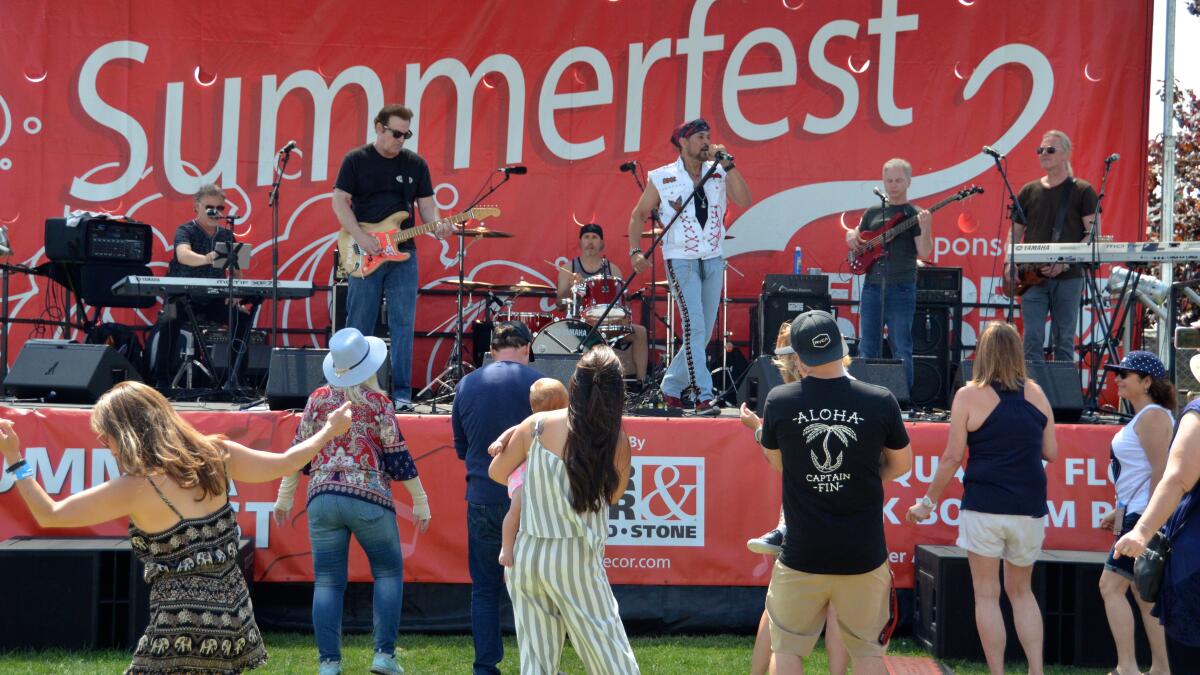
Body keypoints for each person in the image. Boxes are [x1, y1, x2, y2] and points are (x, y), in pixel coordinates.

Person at [0, 381, 352, 674]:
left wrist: (15, 459)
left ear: (125, 434)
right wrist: (330, 429)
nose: (102, 445)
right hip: (233, 617)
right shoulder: (216, 455)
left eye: (104, 436)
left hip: (180, 624)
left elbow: (50, 514)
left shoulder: (135, 487)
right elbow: (287, 462)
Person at [757, 310, 912, 675]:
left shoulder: (780, 401)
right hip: (863, 554)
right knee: (868, 653)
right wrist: (862, 479)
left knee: (788, 649)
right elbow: (902, 465)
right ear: (843, 348)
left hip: (802, 553)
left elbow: (779, 463)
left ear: (796, 357)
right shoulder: (880, 399)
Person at [270, 327, 430, 675]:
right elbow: (397, 455)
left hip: (322, 497)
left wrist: (284, 497)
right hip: (369, 498)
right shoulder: (379, 404)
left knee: (327, 581)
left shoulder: (317, 399)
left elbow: (298, 453)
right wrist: (420, 499)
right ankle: (384, 657)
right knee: (388, 571)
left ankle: (329, 664)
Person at [906, 322, 1057, 675]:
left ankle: (998, 672)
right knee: (1022, 592)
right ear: (1018, 352)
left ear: (982, 355)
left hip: (985, 504)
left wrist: (926, 502)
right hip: (1029, 507)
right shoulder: (1036, 393)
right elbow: (1051, 451)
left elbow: (952, 457)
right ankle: (1036, 671)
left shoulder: (968, 395)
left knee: (986, 594)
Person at [488, 345, 639, 674]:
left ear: (575, 383)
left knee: (536, 663)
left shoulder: (536, 425)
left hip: (527, 554)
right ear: (617, 392)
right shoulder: (616, 440)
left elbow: (498, 473)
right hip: (576, 556)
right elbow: (613, 497)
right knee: (612, 659)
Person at [738, 320, 849, 675]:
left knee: (780, 616)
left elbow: (780, 461)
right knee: (835, 613)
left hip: (801, 524)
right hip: (845, 523)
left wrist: (757, 430)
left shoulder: (784, 401)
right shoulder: (857, 395)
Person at [332, 103, 456, 412]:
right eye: (395, 133)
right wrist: (361, 238)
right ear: (379, 127)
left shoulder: (415, 164)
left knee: (403, 323)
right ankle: (352, 389)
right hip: (365, 251)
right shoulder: (356, 160)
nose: (400, 140)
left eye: (406, 134)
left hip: (404, 253)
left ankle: (401, 392)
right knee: (359, 322)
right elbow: (338, 202)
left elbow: (427, 207)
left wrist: (440, 225)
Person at [628, 118, 751, 414]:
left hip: (713, 257)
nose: (706, 141)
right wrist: (634, 250)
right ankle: (701, 396)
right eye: (699, 137)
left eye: (708, 135)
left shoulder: (719, 171)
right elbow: (638, 214)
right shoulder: (664, 176)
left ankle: (671, 386)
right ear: (683, 142)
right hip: (681, 259)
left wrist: (728, 164)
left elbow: (744, 199)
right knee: (695, 327)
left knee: (703, 332)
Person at [451, 320, 543, 675]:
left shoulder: (466, 384)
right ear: (527, 347)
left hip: (483, 496)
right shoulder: (539, 385)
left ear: (492, 352)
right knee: (537, 589)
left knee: (485, 589)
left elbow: (462, 448)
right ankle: (538, 663)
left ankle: (485, 666)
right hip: (531, 498)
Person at [1114, 353, 1200, 671]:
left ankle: (1136, 666)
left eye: (1126, 373)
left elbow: (1175, 477)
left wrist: (1143, 529)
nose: (1118, 379)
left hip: (1193, 559)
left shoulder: (1195, 415)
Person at [1097, 351, 1175, 675]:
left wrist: (1148, 524)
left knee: (1109, 586)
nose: (1117, 379)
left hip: (1143, 516)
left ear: (1146, 382)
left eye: (1125, 374)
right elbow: (1140, 475)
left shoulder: (1154, 416)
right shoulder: (1145, 416)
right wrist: (1120, 513)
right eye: (1117, 373)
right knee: (1143, 596)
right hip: (1135, 514)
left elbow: (1162, 473)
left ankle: (1127, 668)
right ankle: (1160, 668)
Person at [1003, 129, 1098, 363]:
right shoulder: (1028, 191)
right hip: (1031, 277)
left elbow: (1093, 234)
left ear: (1066, 154)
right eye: (1040, 150)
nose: (1043, 154)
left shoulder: (1082, 190)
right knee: (1031, 338)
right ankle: (1031, 395)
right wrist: (1009, 262)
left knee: (1063, 339)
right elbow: (1014, 233)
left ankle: (1060, 398)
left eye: (1050, 149)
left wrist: (1064, 263)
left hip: (1068, 278)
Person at [153, 183, 257, 389]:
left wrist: (235, 292)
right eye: (210, 207)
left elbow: (236, 270)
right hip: (184, 296)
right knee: (169, 319)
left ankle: (235, 379)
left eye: (220, 208)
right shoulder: (185, 230)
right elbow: (183, 255)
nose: (215, 212)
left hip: (213, 299)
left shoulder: (227, 235)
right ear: (197, 207)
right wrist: (207, 258)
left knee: (242, 319)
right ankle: (162, 381)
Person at [844, 158, 932, 390]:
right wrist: (851, 236)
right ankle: (863, 396)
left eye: (898, 180)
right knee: (867, 346)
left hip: (902, 286)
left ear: (909, 182)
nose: (893, 185)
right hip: (872, 284)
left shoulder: (913, 213)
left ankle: (901, 400)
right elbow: (858, 237)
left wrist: (927, 226)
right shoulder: (873, 211)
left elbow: (924, 251)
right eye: (889, 180)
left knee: (901, 346)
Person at [556, 223, 649, 383]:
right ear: (579, 242)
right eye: (586, 237)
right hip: (581, 325)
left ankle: (641, 384)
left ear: (602, 243)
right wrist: (572, 286)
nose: (590, 241)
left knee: (640, 332)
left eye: (594, 237)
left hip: (608, 324)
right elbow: (559, 303)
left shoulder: (612, 269)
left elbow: (622, 303)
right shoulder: (568, 268)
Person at [498, 378, 568, 568]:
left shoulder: (562, 424)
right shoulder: (532, 423)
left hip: (540, 474)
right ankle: (506, 546)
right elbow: (513, 430)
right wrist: (500, 442)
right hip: (524, 474)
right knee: (516, 509)